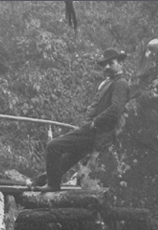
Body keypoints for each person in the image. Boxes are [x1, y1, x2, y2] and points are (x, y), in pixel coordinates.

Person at [35, 48, 130, 191]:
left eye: (111, 63)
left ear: (120, 63)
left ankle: (52, 185)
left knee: (53, 146)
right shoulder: (108, 82)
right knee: (67, 158)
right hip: (93, 131)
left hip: (97, 133)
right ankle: (42, 181)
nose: (107, 67)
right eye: (105, 65)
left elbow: (116, 109)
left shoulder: (121, 83)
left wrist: (94, 123)